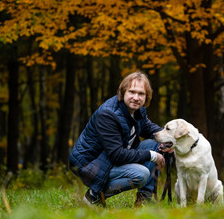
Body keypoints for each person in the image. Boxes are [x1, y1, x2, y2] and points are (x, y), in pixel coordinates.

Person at [69, 71, 170, 207]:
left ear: (146, 97)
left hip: (109, 158)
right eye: (132, 92)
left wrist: (170, 140)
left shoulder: (138, 111)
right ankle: (94, 196)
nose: (136, 97)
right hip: (90, 164)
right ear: (123, 93)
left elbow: (150, 128)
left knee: (155, 143)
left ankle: (144, 199)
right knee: (141, 174)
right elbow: (117, 155)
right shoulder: (108, 115)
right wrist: (151, 155)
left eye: (141, 94)